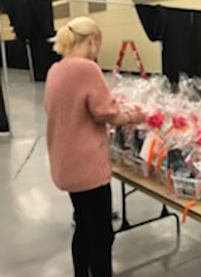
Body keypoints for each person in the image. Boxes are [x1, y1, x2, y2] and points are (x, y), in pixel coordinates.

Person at [44, 17, 146, 277]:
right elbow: (107, 113)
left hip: (65, 164)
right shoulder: (86, 69)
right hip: (87, 168)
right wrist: (136, 116)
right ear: (92, 40)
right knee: (101, 236)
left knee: (84, 227)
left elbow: (69, 110)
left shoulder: (56, 69)